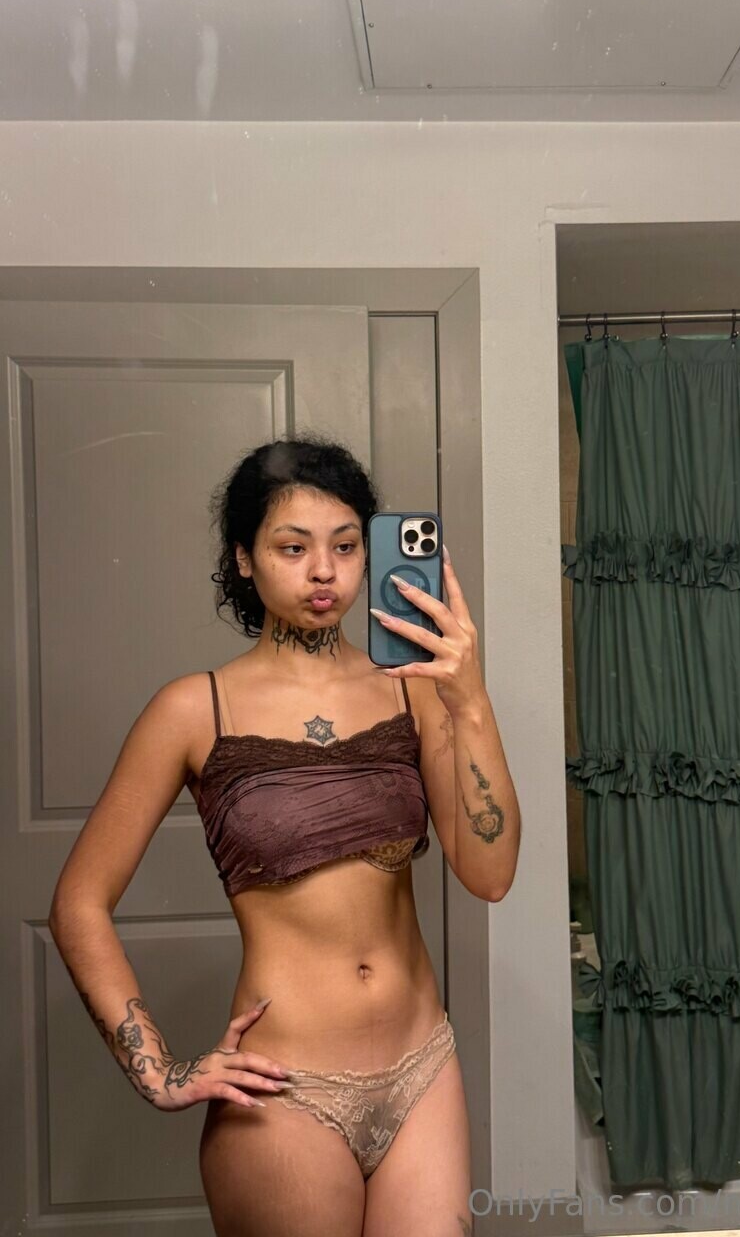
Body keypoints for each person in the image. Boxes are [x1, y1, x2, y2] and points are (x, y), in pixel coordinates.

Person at [48, 435, 521, 1237]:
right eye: (293, 548)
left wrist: (469, 700)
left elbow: (491, 874)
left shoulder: (412, 691)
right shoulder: (193, 710)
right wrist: (158, 1071)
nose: (324, 571)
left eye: (345, 546)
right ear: (244, 558)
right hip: (285, 1090)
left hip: (423, 1070)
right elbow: (79, 902)